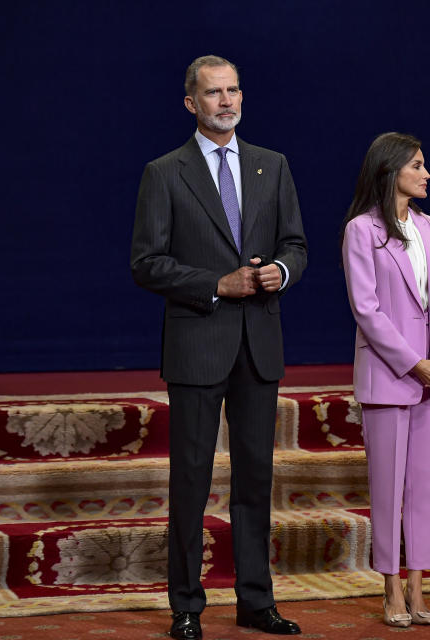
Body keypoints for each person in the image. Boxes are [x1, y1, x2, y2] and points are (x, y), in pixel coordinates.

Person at [131, 55, 307, 638]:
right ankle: (185, 606)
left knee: (256, 480)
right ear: (192, 103)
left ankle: (256, 602)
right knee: (191, 481)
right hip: (197, 345)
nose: (226, 101)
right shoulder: (165, 172)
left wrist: (281, 270)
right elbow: (146, 263)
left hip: (259, 344)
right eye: (213, 93)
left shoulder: (272, 165)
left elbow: (296, 245)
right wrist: (214, 284)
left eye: (233, 90)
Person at [340, 133, 430, 628]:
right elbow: (366, 310)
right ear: (391, 171)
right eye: (417, 165)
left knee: (424, 488)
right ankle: (389, 587)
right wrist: (413, 362)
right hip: (392, 376)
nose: (426, 173)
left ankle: (416, 585)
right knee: (388, 487)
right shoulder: (361, 231)